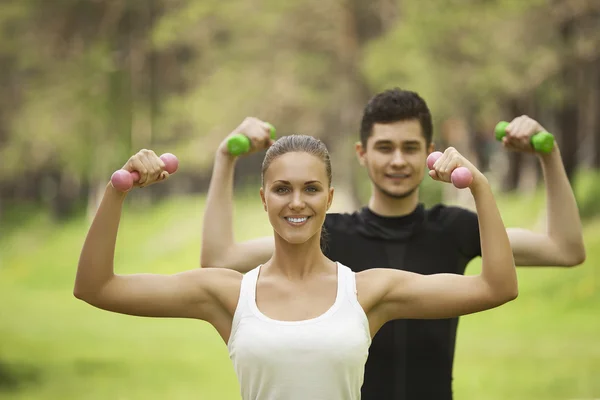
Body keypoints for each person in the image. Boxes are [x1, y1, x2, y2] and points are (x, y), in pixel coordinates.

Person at [200, 89, 586, 399]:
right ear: (362, 154)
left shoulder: (456, 228)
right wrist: (225, 159)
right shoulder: (324, 233)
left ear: (429, 150)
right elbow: (219, 258)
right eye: (385, 147)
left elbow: (565, 249)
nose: (398, 160)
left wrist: (548, 155)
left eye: (410, 147)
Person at [74, 134, 517, 400]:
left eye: (310, 188)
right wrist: (120, 190)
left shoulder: (367, 292)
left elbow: (496, 286)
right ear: (264, 198)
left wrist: (478, 185)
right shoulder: (229, 294)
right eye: (282, 189)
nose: (297, 202)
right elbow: (97, 287)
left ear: (329, 197)